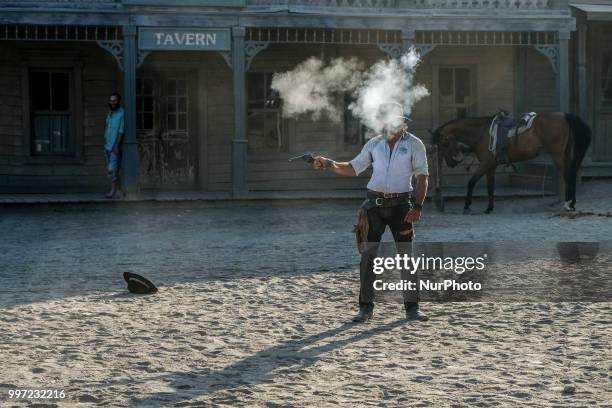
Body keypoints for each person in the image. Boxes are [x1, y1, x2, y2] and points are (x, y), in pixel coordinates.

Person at [312, 103, 429, 322]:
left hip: (402, 206)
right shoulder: (374, 143)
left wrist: (418, 206)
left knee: (406, 257)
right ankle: (365, 307)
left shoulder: (414, 144)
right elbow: (353, 167)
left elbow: (423, 177)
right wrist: (329, 164)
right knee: (368, 258)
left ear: (402, 121)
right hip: (374, 206)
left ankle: (412, 307)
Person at [103, 92, 125, 199]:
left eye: (115, 100)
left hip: (114, 147)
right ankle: (119, 191)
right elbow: (107, 127)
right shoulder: (110, 113)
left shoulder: (122, 113)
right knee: (114, 170)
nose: (113, 102)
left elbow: (121, 131)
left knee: (111, 170)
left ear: (119, 101)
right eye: (111, 100)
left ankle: (113, 191)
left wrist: (116, 146)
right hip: (107, 146)